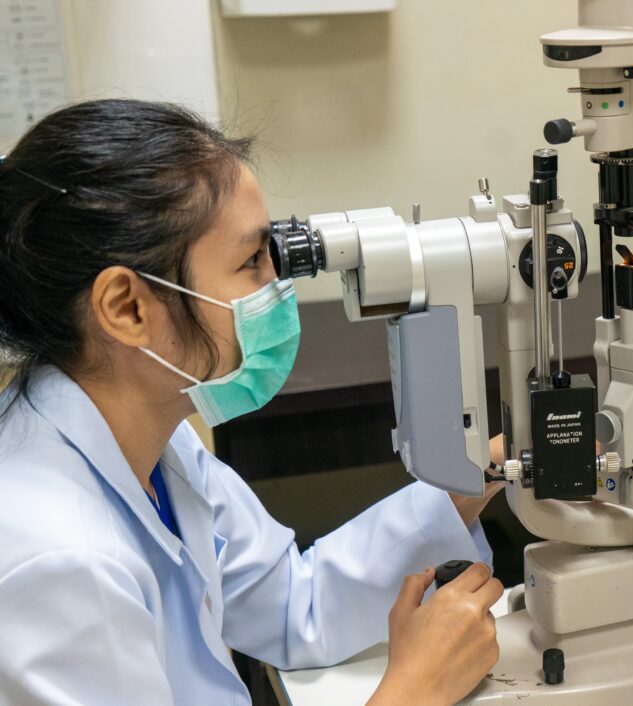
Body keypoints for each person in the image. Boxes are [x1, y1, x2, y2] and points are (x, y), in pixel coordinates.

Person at [0, 99, 505, 706]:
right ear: (128, 308)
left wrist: (485, 472)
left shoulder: (150, 437)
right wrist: (412, 693)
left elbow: (292, 603)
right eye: (251, 262)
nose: (277, 287)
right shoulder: (59, 562)